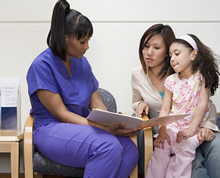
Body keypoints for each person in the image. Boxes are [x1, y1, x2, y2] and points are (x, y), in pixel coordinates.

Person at [26, 0, 139, 177]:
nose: (87, 47)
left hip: (82, 128)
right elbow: (61, 114)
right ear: (65, 38)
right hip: (51, 130)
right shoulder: (41, 66)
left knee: (130, 149)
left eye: (88, 40)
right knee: (108, 146)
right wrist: (104, 129)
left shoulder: (82, 63)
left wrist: (111, 121)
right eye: (82, 41)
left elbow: (96, 103)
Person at [131, 24, 220, 178]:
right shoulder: (170, 80)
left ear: (193, 55)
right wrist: (162, 130)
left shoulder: (200, 77)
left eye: (157, 48)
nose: (149, 53)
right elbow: (164, 110)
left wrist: (194, 129)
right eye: (146, 46)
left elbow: (203, 105)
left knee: (188, 154)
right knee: (162, 149)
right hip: (172, 125)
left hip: (195, 127)